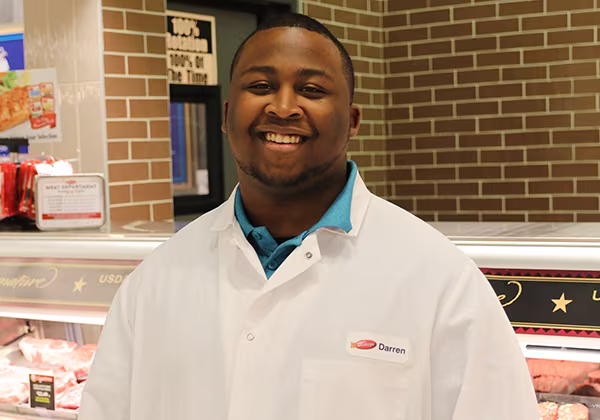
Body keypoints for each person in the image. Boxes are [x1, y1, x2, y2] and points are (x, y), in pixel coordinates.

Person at [80, 13, 539, 420]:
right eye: (260, 86)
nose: (282, 107)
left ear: (353, 121)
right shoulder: (154, 281)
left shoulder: (441, 281)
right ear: (226, 114)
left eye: (311, 90)